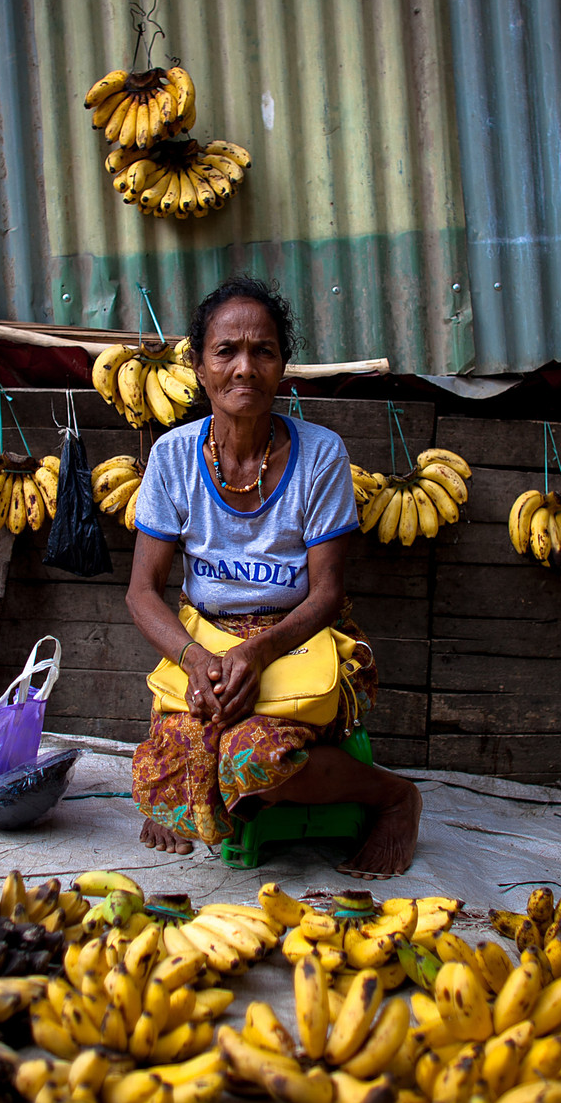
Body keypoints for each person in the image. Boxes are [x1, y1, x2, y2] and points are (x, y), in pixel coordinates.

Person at [125, 274, 421, 878]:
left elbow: (328, 593)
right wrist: (190, 658)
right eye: (225, 351)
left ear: (283, 366)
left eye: (263, 351)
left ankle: (393, 796)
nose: (244, 368)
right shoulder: (173, 457)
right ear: (200, 367)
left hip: (295, 638)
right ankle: (188, 791)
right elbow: (141, 590)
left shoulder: (321, 454)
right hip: (203, 640)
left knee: (252, 760)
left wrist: (256, 653)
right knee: (164, 762)